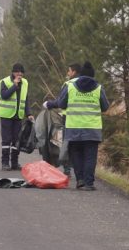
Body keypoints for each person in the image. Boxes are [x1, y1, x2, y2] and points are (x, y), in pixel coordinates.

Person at [45, 60, 108, 190]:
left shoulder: (70, 86)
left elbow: (62, 104)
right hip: (92, 129)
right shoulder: (98, 88)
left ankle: (80, 180)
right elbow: (105, 107)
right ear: (92, 75)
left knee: (77, 154)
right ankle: (89, 183)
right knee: (90, 156)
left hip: (74, 128)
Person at [0, 63, 33, 171]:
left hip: (18, 116)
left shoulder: (25, 82)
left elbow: (25, 100)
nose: (20, 74)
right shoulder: (5, 81)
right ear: (13, 72)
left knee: (17, 140)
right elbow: (4, 95)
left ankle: (14, 163)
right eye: (17, 71)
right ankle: (5, 163)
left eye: (21, 72)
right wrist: (14, 85)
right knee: (6, 140)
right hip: (6, 115)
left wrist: (29, 113)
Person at [58, 63, 80, 176]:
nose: (68, 73)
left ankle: (67, 170)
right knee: (79, 146)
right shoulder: (89, 84)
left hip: (68, 118)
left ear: (74, 72)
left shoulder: (69, 84)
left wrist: (50, 104)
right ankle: (79, 171)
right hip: (84, 120)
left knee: (67, 144)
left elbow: (61, 102)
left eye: (69, 71)